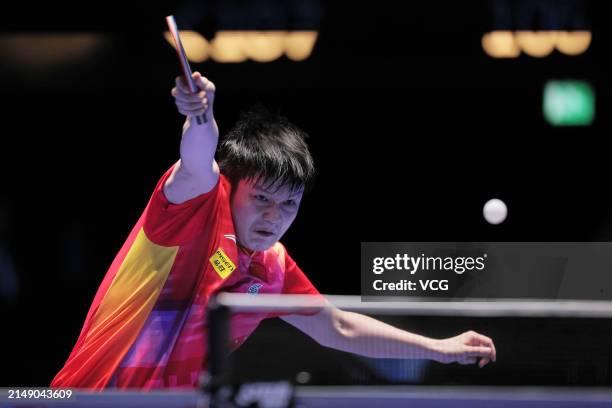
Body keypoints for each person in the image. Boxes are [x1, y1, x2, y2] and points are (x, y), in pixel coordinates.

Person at [51, 72, 496, 390]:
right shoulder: (195, 207)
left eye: (289, 204)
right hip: (85, 398)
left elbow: (339, 328)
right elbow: (198, 158)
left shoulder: (273, 267)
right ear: (231, 187)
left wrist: (438, 348)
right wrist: (201, 117)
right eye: (261, 198)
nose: (275, 216)